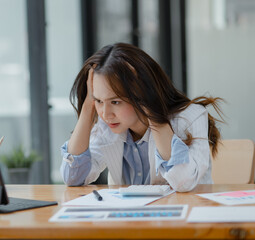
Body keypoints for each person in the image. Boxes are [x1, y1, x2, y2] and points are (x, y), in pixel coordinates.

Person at [60, 43, 224, 192]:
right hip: (131, 221)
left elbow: (184, 182)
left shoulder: (190, 117)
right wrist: (88, 108)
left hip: (186, 219)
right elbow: (73, 178)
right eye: (99, 101)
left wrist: (150, 104)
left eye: (115, 102)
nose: (105, 113)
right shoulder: (106, 127)